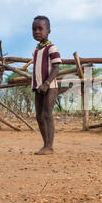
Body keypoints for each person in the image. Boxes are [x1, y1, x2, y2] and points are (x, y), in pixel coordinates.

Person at [31, 15, 62, 155]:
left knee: (47, 114)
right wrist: (38, 85)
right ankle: (45, 145)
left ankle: (50, 146)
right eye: (34, 29)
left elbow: (56, 68)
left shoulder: (52, 48)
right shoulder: (36, 50)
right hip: (39, 87)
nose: (37, 32)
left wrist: (46, 83)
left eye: (40, 29)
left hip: (50, 87)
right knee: (39, 116)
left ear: (48, 30)